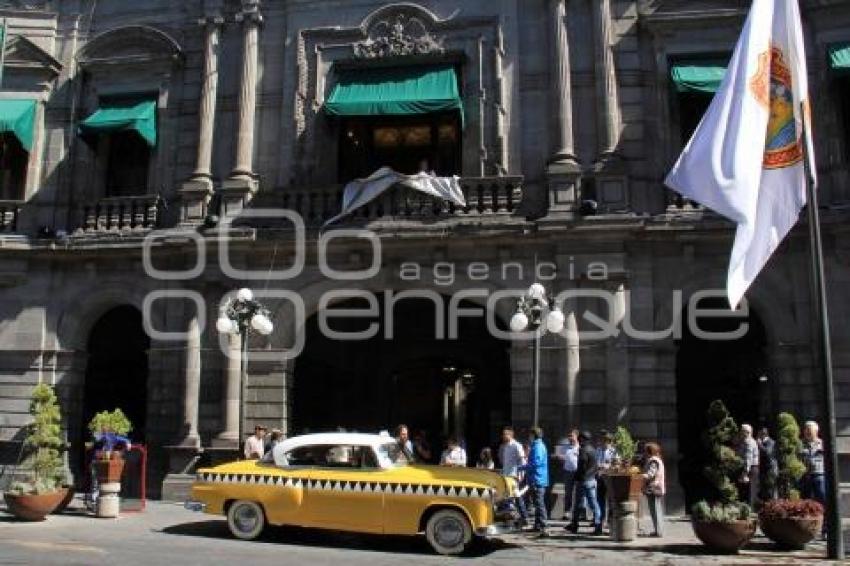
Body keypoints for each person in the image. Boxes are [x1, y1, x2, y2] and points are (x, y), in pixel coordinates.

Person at [566, 431, 602, 535]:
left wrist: (577, 478)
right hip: (592, 480)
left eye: (579, 439)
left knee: (578, 504)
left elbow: (581, 466)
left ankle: (575, 525)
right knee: (593, 503)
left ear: (582, 439)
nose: (578, 441)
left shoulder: (583, 450)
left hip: (583, 480)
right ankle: (596, 524)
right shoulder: (593, 450)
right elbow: (595, 466)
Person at [800, 420, 827, 540]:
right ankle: (807, 530)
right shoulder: (801, 444)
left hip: (819, 475)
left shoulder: (822, 444)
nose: (807, 432)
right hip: (805, 476)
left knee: (822, 502)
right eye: (805, 429)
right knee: (806, 503)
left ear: (816, 431)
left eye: (809, 429)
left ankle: (825, 529)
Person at [521, 427, 549, 536]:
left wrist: (523, 467)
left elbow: (536, 463)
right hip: (536, 478)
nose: (529, 437)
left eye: (530, 435)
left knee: (539, 503)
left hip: (538, 478)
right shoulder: (537, 445)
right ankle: (538, 526)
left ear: (534, 435)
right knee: (537, 503)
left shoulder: (538, 446)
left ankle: (544, 526)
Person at [499, 426, 528, 526]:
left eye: (505, 434)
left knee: (516, 496)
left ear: (511, 435)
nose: (503, 436)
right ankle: (510, 518)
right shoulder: (505, 446)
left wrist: (520, 475)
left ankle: (524, 517)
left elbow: (522, 460)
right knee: (508, 497)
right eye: (503, 434)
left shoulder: (517, 445)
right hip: (506, 475)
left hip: (513, 476)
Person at [555, 429, 581, 521]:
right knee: (568, 493)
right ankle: (567, 512)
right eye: (569, 436)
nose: (570, 438)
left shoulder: (580, 447)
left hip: (578, 472)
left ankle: (581, 513)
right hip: (568, 472)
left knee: (579, 493)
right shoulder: (565, 447)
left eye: (572, 436)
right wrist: (560, 457)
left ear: (577, 436)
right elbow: (558, 455)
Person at [641, 442, 666, 537]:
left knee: (655, 510)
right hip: (655, 488)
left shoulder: (653, 461)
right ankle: (657, 530)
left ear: (649, 451)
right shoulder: (656, 460)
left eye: (645, 450)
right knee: (655, 510)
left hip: (654, 488)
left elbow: (650, 474)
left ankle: (659, 531)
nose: (644, 452)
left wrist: (639, 475)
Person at [595, 430, 617, 528]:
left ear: (609, 441)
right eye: (602, 440)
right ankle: (601, 520)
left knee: (610, 500)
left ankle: (610, 521)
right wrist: (598, 466)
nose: (603, 442)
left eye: (605, 440)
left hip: (610, 478)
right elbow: (595, 463)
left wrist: (606, 466)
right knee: (600, 500)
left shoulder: (614, 451)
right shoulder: (598, 450)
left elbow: (616, 464)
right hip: (599, 478)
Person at [736, 424, 759, 507]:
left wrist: (745, 472)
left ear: (747, 432)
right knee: (748, 490)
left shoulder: (748, 442)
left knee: (750, 490)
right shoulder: (745, 441)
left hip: (750, 468)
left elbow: (748, 458)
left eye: (742, 431)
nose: (740, 433)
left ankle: (749, 509)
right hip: (750, 468)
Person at [757, 427, 778, 500]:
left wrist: (760, 445)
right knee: (764, 490)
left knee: (771, 490)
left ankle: (773, 506)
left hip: (770, 470)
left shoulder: (770, 442)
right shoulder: (762, 442)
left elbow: (767, 453)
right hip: (763, 470)